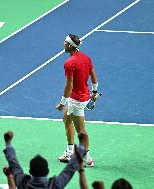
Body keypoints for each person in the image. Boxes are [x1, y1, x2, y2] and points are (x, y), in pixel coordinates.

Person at [56, 34, 98, 167]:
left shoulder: (69, 63)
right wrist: (95, 91)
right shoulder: (86, 57)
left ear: (69, 45)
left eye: (65, 42)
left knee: (81, 130)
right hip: (84, 96)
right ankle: (70, 151)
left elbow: (69, 86)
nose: (63, 44)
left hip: (77, 100)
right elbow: (93, 74)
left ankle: (87, 158)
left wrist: (62, 103)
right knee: (67, 119)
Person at [3, 130, 87, 189]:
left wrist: (8, 143)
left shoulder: (23, 183)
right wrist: (81, 146)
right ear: (47, 171)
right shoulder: (54, 185)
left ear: (30, 172)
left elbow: (13, 164)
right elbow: (70, 169)